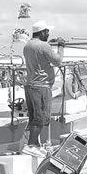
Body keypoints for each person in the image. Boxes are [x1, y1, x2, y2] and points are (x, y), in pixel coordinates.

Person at [22, 20, 63, 154]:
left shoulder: (27, 46)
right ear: (42, 32)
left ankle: (35, 145)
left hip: (30, 85)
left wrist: (49, 44)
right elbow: (58, 61)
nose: (48, 34)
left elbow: (40, 54)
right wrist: (61, 46)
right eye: (47, 32)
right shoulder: (44, 46)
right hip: (41, 86)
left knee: (34, 117)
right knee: (41, 119)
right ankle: (31, 146)